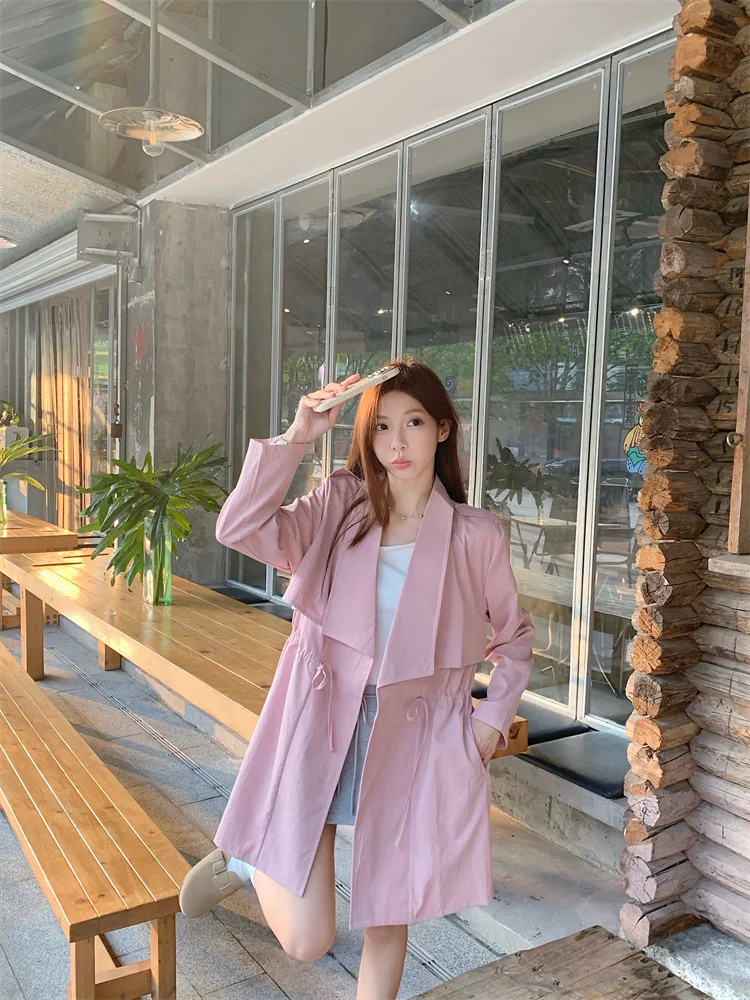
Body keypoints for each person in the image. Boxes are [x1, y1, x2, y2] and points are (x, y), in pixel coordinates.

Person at [179, 360, 534, 1000]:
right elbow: (240, 529)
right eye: (382, 427)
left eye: (414, 423)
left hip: (415, 733)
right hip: (321, 715)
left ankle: (254, 851)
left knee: (388, 912)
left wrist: (488, 724)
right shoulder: (340, 505)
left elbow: (513, 639)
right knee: (307, 941)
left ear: (443, 429)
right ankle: (249, 859)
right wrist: (298, 436)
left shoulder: (476, 535)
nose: (397, 443)